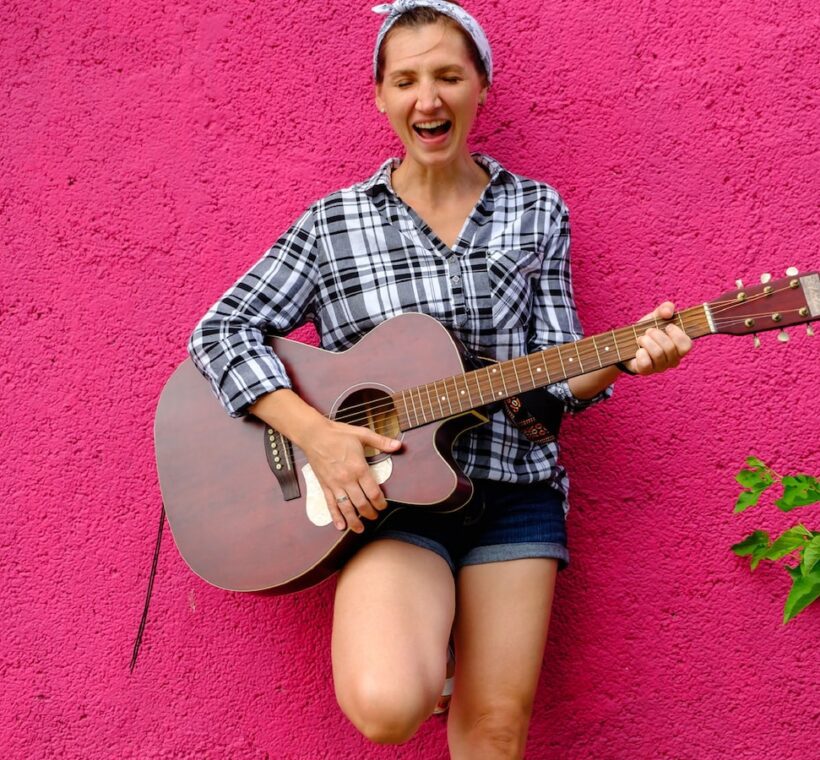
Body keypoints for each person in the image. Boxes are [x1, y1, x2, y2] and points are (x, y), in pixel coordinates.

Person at [188, 1, 693, 756]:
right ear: (382, 97)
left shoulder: (535, 210)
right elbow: (220, 331)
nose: (429, 98)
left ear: (481, 87)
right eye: (408, 80)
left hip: (514, 491)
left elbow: (557, 374)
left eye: (449, 76)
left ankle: (460, 652)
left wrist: (620, 358)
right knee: (388, 705)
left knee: (494, 730)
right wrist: (319, 436)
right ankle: (433, 654)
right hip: (391, 505)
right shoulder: (334, 223)